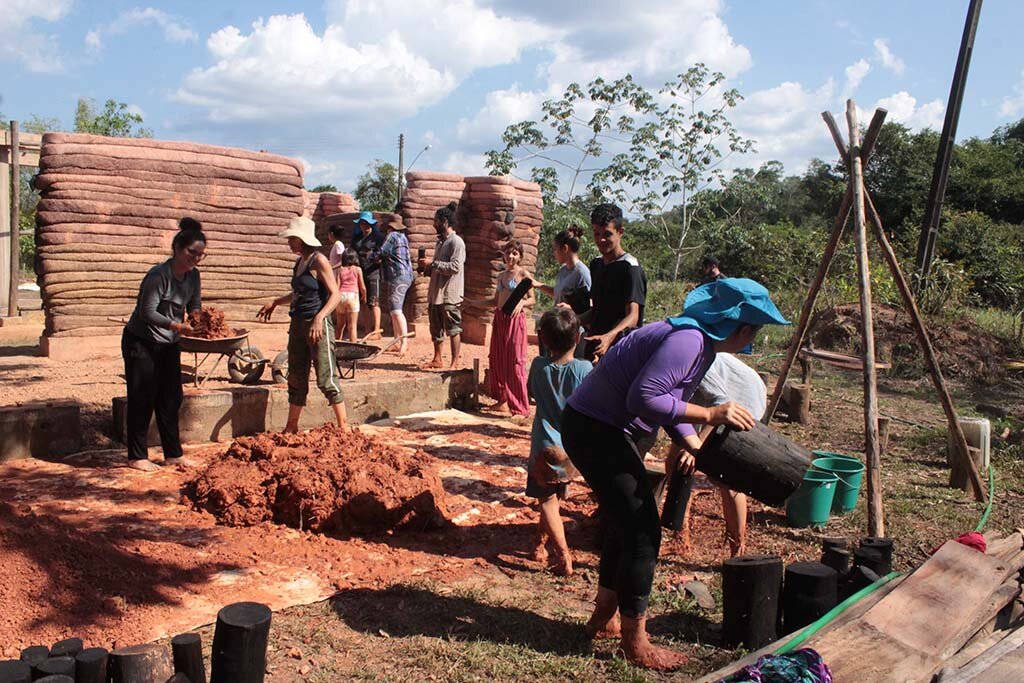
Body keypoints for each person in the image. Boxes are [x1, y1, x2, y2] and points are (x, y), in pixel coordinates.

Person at [561, 278, 789, 670]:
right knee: (643, 529)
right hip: (596, 429)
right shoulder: (690, 342)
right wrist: (710, 415)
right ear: (743, 328)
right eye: (754, 329)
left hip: (596, 427)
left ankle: (604, 618)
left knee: (624, 524)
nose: (753, 337)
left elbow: (671, 405)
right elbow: (645, 398)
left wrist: (697, 448)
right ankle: (636, 642)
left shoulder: (701, 346)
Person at [122, 217, 206, 472]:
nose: (197, 258)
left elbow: (194, 303)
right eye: (193, 252)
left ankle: (173, 454)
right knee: (142, 397)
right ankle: (137, 457)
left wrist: (198, 318)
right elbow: (147, 312)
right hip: (142, 342)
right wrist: (178, 326)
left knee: (171, 397)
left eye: (201, 255)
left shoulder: (193, 276)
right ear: (178, 248)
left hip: (169, 343)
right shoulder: (159, 276)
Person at [669, 352, 767, 557]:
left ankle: (737, 550)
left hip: (741, 400)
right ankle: (680, 530)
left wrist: (699, 446)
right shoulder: (663, 364)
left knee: (728, 478)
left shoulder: (691, 359)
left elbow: (722, 402)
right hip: (706, 404)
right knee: (675, 460)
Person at [257, 216, 347, 432]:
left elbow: (335, 295)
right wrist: (276, 302)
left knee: (326, 377)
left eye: (291, 239)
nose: (289, 242)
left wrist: (319, 317)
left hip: (317, 325)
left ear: (301, 238)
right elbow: (299, 292)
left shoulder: (319, 261)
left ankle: (344, 428)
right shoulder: (299, 262)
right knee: (296, 376)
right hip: (297, 323)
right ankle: (291, 426)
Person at [527, 308, 592, 576]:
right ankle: (539, 544)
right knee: (554, 495)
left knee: (547, 500)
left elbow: (532, 394)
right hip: (573, 448)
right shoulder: (585, 369)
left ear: (542, 338)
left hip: (544, 447)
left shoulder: (538, 367)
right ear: (578, 338)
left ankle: (563, 554)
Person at [579, 203, 646, 361]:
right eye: (596, 234)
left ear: (620, 232)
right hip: (594, 345)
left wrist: (609, 337)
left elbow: (633, 315)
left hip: (619, 351)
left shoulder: (630, 268)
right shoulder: (596, 264)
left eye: (607, 234)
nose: (601, 239)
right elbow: (598, 310)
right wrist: (572, 320)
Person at [481, 240, 533, 416]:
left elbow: (533, 299)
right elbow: (496, 301)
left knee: (515, 360)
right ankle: (503, 400)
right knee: (498, 358)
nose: (510, 256)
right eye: (508, 252)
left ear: (520, 256)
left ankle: (520, 407)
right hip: (500, 318)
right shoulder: (501, 276)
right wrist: (473, 303)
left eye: (515, 253)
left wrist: (523, 302)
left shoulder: (523, 274)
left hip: (515, 320)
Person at [417, 201, 466, 370]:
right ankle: (437, 359)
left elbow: (455, 267)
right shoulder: (440, 243)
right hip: (436, 294)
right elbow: (438, 267)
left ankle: (454, 363)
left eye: (436, 221)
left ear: (445, 221)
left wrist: (434, 263)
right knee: (436, 328)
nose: (433, 224)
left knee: (453, 329)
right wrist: (427, 267)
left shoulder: (457, 243)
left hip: (449, 295)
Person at [535, 225, 591, 358]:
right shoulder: (563, 271)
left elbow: (588, 305)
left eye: (555, 249)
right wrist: (537, 285)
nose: (554, 253)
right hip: (557, 329)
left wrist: (571, 309)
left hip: (572, 332)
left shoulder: (582, 273)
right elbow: (558, 294)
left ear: (565, 248)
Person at [380, 217, 414, 355]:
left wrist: (370, 257)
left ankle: (404, 342)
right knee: (394, 309)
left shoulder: (392, 236)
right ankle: (397, 341)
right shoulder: (404, 237)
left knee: (396, 311)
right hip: (406, 275)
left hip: (398, 276)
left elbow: (383, 251)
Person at [352, 211, 384, 339]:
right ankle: (367, 330)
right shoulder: (357, 238)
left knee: (374, 302)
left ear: (371, 224)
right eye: (362, 223)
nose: (364, 226)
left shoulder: (378, 238)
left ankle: (377, 331)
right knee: (363, 301)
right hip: (360, 274)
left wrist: (372, 257)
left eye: (366, 223)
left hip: (373, 273)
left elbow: (382, 256)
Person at [335, 250, 366, 342]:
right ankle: (354, 347)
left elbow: (337, 286)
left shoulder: (340, 270)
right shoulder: (357, 269)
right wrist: (364, 296)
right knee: (352, 326)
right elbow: (362, 287)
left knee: (340, 325)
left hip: (341, 296)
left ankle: (336, 346)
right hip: (353, 296)